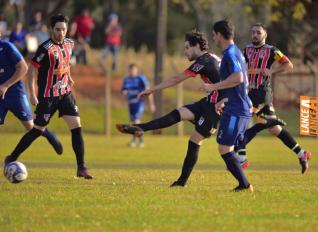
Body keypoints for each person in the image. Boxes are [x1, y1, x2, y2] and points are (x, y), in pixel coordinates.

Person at [117, 31, 230, 187]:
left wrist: (152, 89)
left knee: (195, 141)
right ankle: (140, 127)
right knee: (178, 113)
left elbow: (177, 79)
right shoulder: (212, 58)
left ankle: (183, 182)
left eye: (187, 48)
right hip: (209, 102)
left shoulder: (204, 61)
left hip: (217, 108)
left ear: (197, 46)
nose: (185, 52)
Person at [4, 14, 92, 179]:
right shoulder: (45, 49)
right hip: (47, 97)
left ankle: (81, 167)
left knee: (77, 126)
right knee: (37, 131)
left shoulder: (69, 44)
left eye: (63, 29)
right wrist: (32, 93)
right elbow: (31, 71)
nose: (61, 33)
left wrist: (69, 77)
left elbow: (65, 64)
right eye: (58, 29)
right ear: (51, 29)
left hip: (65, 93)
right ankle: (12, 157)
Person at [235, 23, 312, 173]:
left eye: (258, 32)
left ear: (265, 34)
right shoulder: (247, 50)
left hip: (263, 92)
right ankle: (302, 154)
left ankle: (241, 158)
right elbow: (242, 68)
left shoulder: (272, 50)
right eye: (253, 32)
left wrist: (272, 70)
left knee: (243, 120)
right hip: (251, 92)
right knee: (274, 129)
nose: (255, 35)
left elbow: (288, 65)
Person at [203, 20, 253, 192]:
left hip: (237, 110)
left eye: (214, 35)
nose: (213, 38)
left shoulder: (230, 54)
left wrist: (213, 87)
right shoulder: (235, 51)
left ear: (219, 34)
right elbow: (238, 84)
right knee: (225, 146)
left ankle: (245, 185)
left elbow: (238, 78)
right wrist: (223, 100)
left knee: (224, 148)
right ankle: (243, 183)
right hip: (237, 106)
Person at [0, 31, 62, 156]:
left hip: (15, 93)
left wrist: (6, 85)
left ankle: (49, 135)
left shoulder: (7, 47)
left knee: (31, 127)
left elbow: (23, 68)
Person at [121, 64, 155, 147]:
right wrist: (124, 92)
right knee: (134, 123)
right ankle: (139, 142)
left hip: (139, 102)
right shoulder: (126, 79)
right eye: (131, 70)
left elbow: (148, 90)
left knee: (137, 122)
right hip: (131, 103)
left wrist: (151, 104)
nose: (133, 72)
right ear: (129, 70)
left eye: (134, 70)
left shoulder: (141, 78)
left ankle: (137, 142)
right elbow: (123, 90)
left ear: (137, 70)